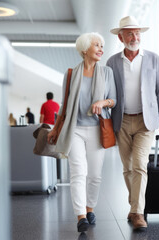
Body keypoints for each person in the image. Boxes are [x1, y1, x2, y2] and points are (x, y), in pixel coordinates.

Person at [47, 32, 116, 233]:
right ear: (85, 49)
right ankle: (81, 216)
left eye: (102, 45)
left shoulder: (107, 73)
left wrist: (103, 102)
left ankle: (90, 208)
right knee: (78, 172)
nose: (101, 49)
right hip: (74, 129)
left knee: (94, 175)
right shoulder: (70, 74)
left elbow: (114, 100)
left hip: (97, 128)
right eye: (97, 45)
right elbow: (64, 104)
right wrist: (55, 127)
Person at [107, 16, 159, 231]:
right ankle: (135, 206)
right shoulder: (112, 62)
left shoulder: (153, 59)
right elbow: (108, 92)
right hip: (121, 120)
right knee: (127, 168)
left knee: (139, 165)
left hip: (147, 120)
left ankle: (138, 213)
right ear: (121, 36)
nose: (135, 37)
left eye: (137, 33)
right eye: (130, 33)